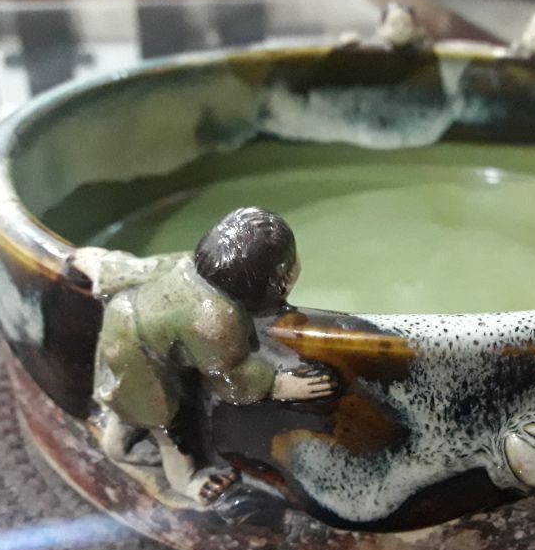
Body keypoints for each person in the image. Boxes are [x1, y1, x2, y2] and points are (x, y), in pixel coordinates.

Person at [71, 207, 337, 508]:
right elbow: (230, 375)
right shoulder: (216, 317)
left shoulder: (186, 264)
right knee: (169, 428)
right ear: (281, 277)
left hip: (118, 326)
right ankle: (186, 481)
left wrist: (91, 261)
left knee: (125, 400)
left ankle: (117, 445)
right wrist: (280, 384)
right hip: (144, 366)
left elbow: (136, 270)